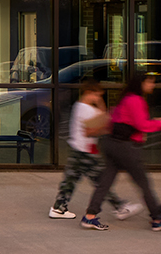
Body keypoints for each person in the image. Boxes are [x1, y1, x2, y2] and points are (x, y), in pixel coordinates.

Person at [82, 71, 161, 231]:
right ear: (141, 83)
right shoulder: (135, 100)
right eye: (149, 82)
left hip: (111, 144)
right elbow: (142, 125)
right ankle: (157, 218)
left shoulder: (125, 98)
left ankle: (90, 216)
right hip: (124, 147)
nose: (152, 85)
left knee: (105, 181)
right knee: (143, 183)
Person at [50, 81, 138, 221]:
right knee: (101, 181)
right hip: (85, 151)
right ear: (88, 93)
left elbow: (101, 118)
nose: (98, 98)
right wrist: (102, 112)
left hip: (77, 149)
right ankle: (119, 206)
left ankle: (58, 208)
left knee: (70, 180)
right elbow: (99, 123)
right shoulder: (87, 109)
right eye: (96, 95)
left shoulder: (79, 106)